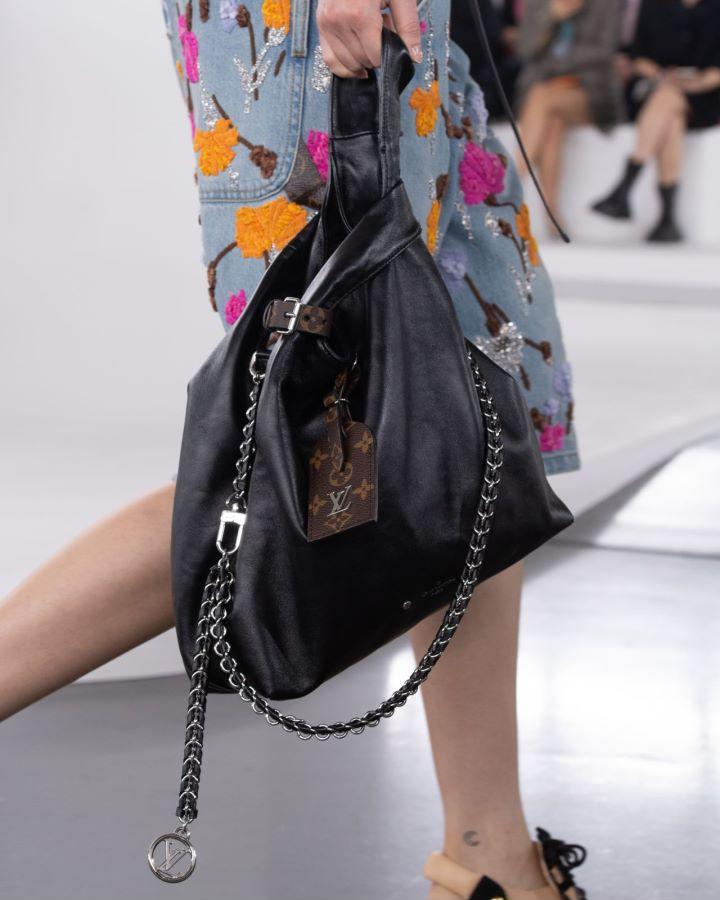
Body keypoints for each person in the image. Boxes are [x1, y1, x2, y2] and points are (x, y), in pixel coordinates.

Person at [0, 0, 585, 897]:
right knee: (281, 454)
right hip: (322, 21)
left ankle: (488, 856)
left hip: (421, 33)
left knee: (464, 422)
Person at [592, 0, 720, 242]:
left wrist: (693, 84)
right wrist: (664, 77)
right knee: (671, 117)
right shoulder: (654, 5)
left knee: (667, 100)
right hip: (657, 89)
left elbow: (716, 70)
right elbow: (639, 57)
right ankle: (667, 220)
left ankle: (625, 187)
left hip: (704, 96)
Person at [513, 0, 623, 219]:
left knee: (543, 97)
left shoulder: (605, 4)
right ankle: (552, 213)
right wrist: (551, 18)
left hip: (589, 91)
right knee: (552, 121)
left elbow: (603, 51)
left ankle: (513, 180)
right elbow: (525, 49)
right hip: (546, 92)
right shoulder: (539, 5)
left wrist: (556, 68)